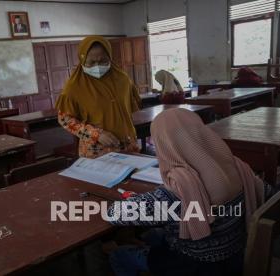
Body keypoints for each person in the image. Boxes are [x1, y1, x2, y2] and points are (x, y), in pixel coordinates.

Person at [107, 108, 271, 276]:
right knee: (153, 234)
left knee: (119, 255)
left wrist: (140, 201)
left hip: (193, 266)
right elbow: (269, 194)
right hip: (236, 255)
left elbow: (114, 214)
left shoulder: (176, 193)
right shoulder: (239, 168)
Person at [55, 36, 141, 158]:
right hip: (97, 149)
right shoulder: (74, 86)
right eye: (91, 62)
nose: (97, 66)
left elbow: (129, 110)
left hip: (127, 145)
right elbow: (65, 120)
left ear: (110, 58)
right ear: (82, 60)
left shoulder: (123, 79)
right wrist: (96, 134)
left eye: (103, 61)